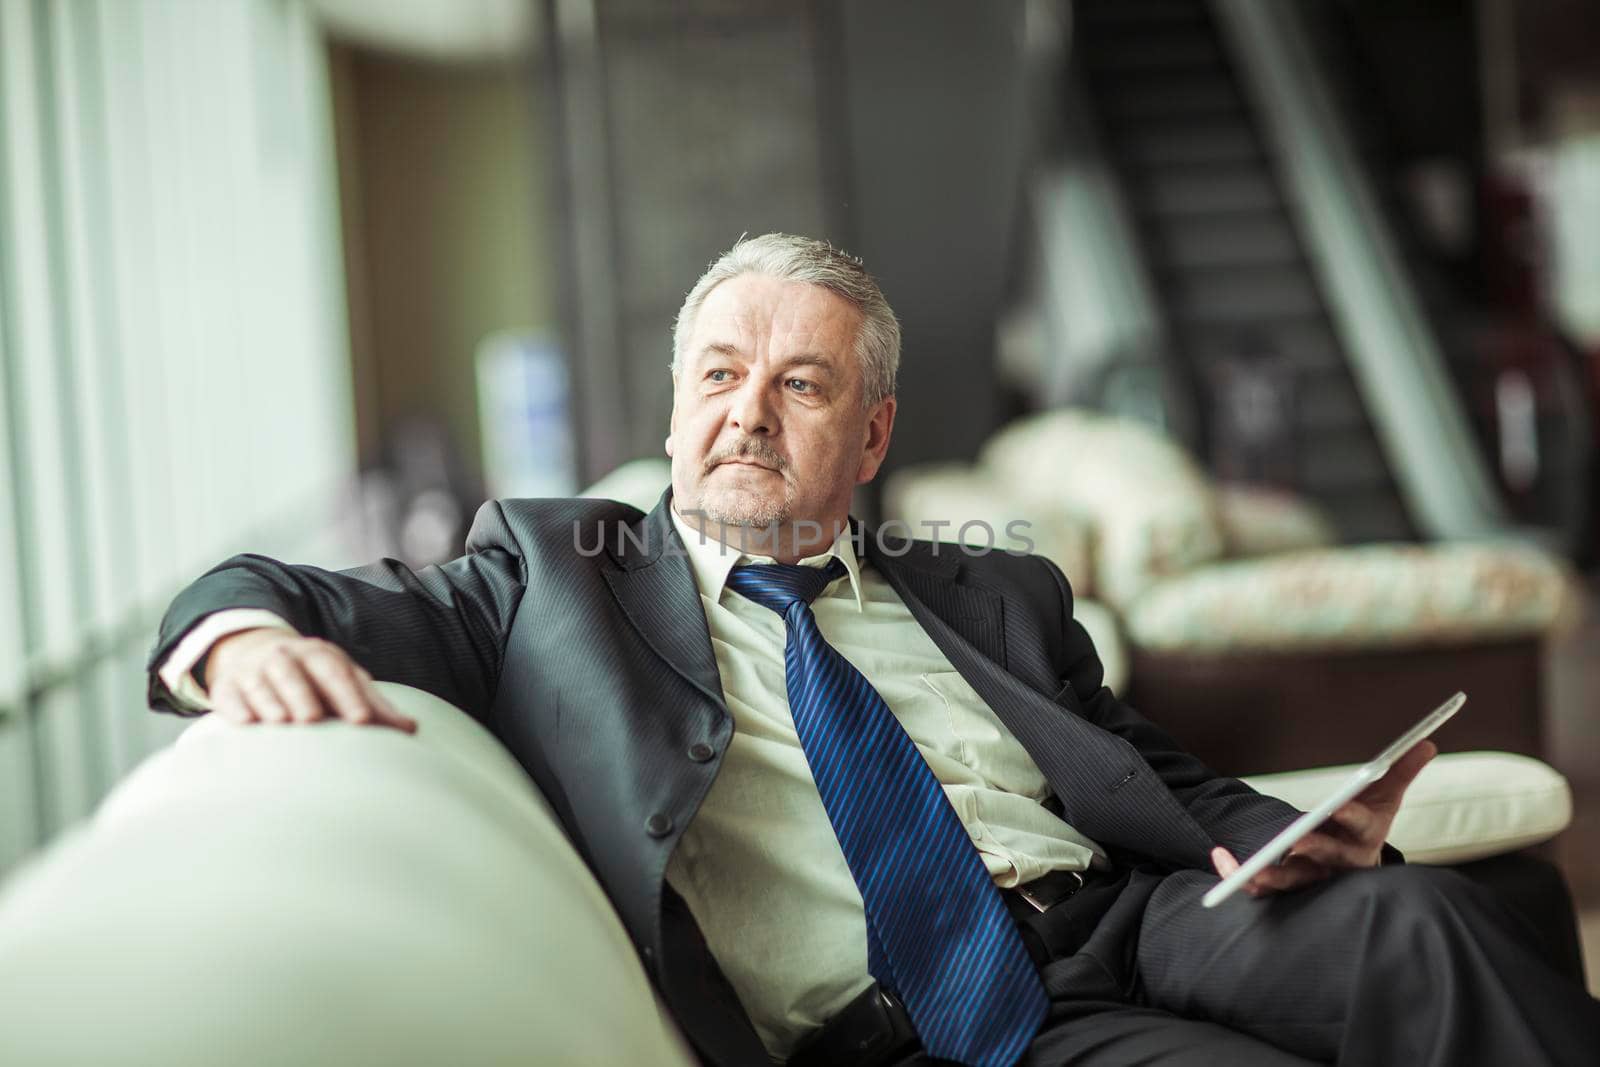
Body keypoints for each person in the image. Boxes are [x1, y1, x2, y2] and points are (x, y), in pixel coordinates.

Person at [148, 234, 1598, 1066]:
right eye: (718, 375)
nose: (748, 414)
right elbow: (293, 586)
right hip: (930, 1017)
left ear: (875, 433)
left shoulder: (994, 590)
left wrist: (1298, 833)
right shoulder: (548, 580)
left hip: (1144, 912)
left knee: (1427, 923)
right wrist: (228, 633)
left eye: (801, 383)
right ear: (672, 410)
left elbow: (1152, 774)